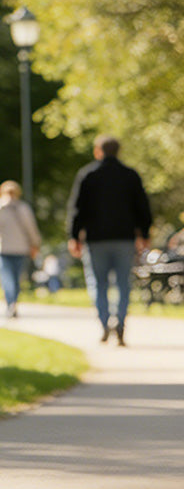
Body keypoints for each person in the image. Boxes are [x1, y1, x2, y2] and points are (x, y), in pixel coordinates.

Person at [66, 135, 152, 345]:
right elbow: (142, 206)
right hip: (124, 238)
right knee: (123, 283)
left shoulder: (88, 175)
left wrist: (74, 236)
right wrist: (145, 233)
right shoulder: (130, 175)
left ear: (98, 151)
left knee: (98, 283)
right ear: (118, 151)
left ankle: (105, 323)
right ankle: (120, 323)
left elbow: (77, 209)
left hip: (96, 240)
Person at [0, 180, 40, 318]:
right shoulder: (23, 208)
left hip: (1, 249)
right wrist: (35, 244)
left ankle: (10, 303)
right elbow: (31, 229)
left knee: (7, 279)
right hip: (20, 249)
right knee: (16, 279)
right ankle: (13, 303)